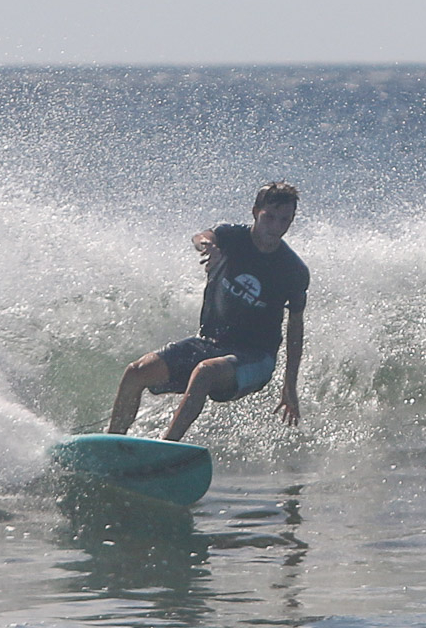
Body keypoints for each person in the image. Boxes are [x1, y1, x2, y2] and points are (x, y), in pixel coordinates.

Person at [108, 182, 309, 442]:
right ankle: (112, 446)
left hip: (255, 358)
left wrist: (289, 385)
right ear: (255, 212)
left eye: (284, 220)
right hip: (210, 344)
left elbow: (295, 330)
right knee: (136, 372)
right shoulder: (231, 238)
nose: (275, 227)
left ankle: (165, 448)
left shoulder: (293, 270)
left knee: (204, 372)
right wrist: (207, 246)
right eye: (269, 217)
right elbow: (203, 236)